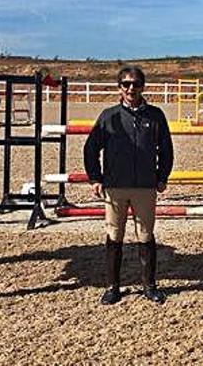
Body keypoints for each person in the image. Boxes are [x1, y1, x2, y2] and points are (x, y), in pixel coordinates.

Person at [83, 66, 174, 305]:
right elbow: (91, 148)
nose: (130, 88)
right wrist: (95, 178)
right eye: (125, 84)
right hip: (115, 187)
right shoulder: (108, 116)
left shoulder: (156, 116)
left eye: (135, 84)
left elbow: (166, 149)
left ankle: (149, 285)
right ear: (119, 87)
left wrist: (162, 176)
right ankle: (112, 286)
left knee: (146, 235)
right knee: (115, 235)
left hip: (145, 186)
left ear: (143, 86)